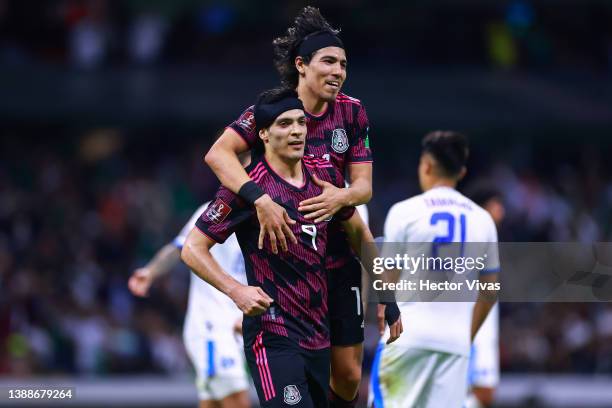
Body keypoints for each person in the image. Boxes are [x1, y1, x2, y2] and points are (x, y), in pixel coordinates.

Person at [203, 7, 400, 405]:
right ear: (301, 65)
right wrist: (261, 200)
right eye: (328, 61)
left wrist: (339, 197)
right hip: (287, 261)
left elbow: (363, 189)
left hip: (338, 253)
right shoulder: (276, 110)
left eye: (343, 64)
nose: (338, 71)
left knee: (347, 376)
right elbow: (218, 156)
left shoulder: (352, 111)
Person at [370, 131, 499, 408]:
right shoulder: (483, 220)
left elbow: (387, 277)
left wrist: (382, 311)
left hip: (406, 338)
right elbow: (489, 292)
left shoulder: (404, 211)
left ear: (426, 166)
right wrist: (466, 335)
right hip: (454, 345)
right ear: (461, 171)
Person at [128, 204, 251, 408]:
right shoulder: (220, 207)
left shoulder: (267, 210)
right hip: (212, 326)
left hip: (236, 327)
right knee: (237, 401)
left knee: (212, 402)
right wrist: (151, 272)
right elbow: (182, 246)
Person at [464, 186, 506, 408]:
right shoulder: (471, 244)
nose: (502, 212)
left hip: (483, 326)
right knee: (482, 393)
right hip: (474, 327)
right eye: (496, 205)